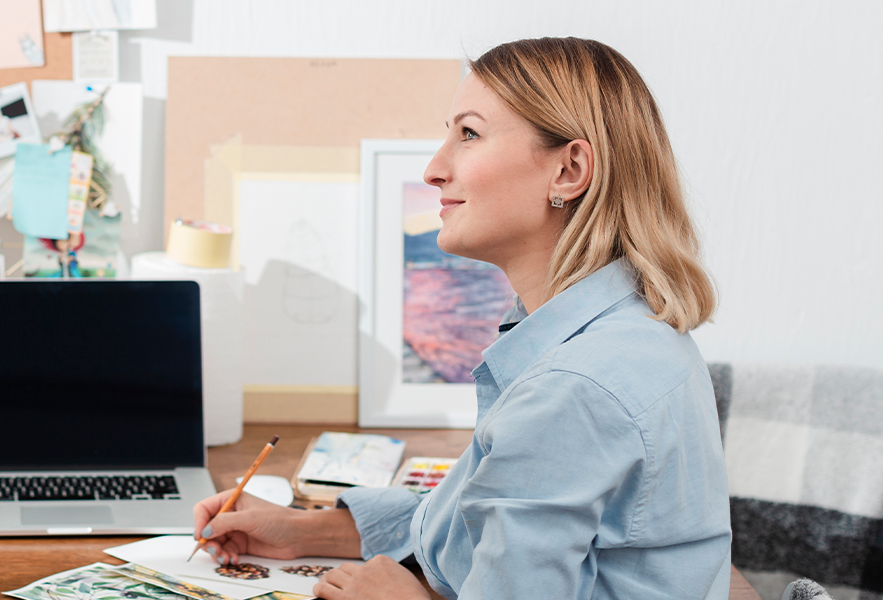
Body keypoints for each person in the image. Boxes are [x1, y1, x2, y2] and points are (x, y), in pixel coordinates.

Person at [193, 37, 731, 599]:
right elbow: (500, 514)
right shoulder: (615, 327)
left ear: (569, 170)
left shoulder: (572, 388)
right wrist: (317, 529)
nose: (433, 169)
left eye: (469, 134)